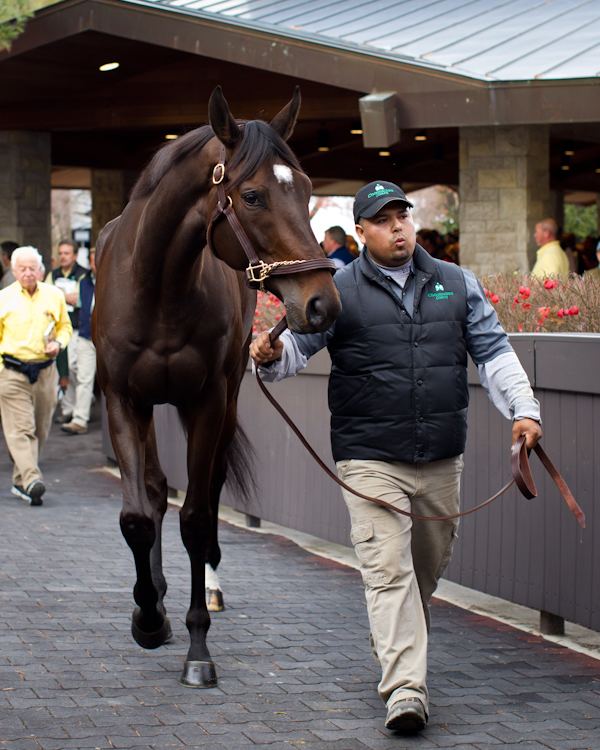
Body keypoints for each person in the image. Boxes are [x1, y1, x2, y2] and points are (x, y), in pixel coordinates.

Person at [250, 179, 542, 734]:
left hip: (439, 456)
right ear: (361, 232)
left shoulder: (456, 283)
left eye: (402, 215)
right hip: (368, 458)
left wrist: (524, 411)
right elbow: (294, 352)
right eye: (383, 220)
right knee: (388, 571)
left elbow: (494, 352)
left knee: (422, 573)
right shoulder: (338, 291)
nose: (398, 226)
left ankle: (394, 640)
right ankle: (406, 689)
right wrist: (269, 354)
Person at [0, 246, 72, 505]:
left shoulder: (54, 295)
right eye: (22, 269)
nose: (28, 273)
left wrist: (59, 344)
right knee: (21, 429)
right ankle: (31, 478)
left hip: (44, 371)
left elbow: (65, 326)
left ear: (40, 270)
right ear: (14, 270)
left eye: (33, 268)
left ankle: (21, 482)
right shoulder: (4, 298)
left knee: (40, 428)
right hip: (11, 372)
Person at [46, 239, 88, 423]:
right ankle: (68, 408)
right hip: (58, 329)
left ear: (75, 255)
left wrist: (59, 295)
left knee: (77, 369)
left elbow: (79, 299)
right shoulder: (53, 274)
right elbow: (46, 295)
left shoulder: (83, 275)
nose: (63, 256)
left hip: (79, 327)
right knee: (65, 370)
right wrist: (63, 296)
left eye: (67, 253)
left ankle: (79, 410)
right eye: (60, 253)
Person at [60, 250, 96, 435]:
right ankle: (79, 420)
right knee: (81, 375)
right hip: (86, 335)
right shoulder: (85, 281)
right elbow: (79, 303)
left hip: (108, 339)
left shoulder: (114, 278)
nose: (96, 264)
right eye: (93, 261)